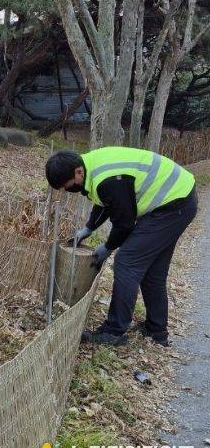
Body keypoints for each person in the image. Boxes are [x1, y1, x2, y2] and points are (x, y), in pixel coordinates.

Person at [45, 147, 197, 347]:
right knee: (153, 271)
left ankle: (114, 331)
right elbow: (106, 201)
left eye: (69, 185)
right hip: (180, 196)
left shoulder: (107, 179)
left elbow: (125, 223)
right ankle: (156, 330)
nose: (69, 190)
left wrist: (108, 247)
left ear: (78, 171)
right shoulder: (90, 165)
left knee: (126, 262)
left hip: (172, 205)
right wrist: (89, 228)